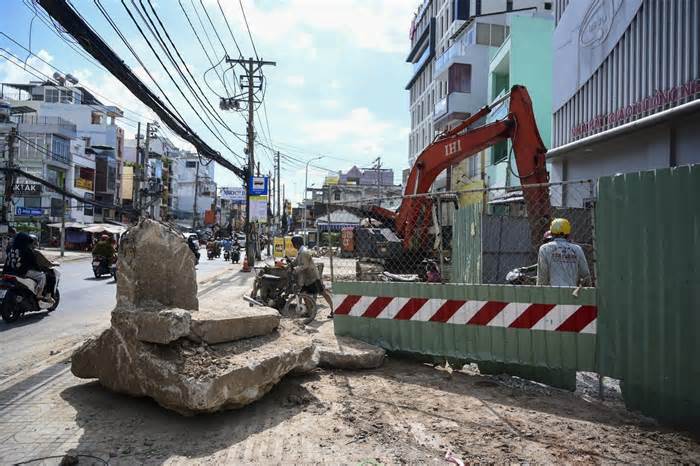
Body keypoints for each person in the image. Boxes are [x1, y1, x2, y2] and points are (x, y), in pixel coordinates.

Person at [290, 235, 334, 321]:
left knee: (323, 293)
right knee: (304, 294)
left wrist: (295, 270)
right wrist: (291, 264)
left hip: (312, 277)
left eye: (293, 244)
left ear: (296, 244)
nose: (293, 246)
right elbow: (297, 261)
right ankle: (310, 313)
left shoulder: (304, 252)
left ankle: (333, 310)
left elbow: (305, 266)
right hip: (307, 278)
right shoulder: (300, 251)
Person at [536, 219, 591, 287]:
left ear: (552, 233)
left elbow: (542, 275)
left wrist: (541, 291)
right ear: (568, 234)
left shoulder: (545, 248)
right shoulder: (577, 249)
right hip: (572, 291)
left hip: (552, 292)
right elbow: (585, 275)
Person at [4, 232, 52, 299]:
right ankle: (39, 294)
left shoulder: (11, 249)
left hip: (8, 271)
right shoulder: (27, 250)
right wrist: (39, 270)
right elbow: (34, 264)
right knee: (42, 276)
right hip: (21, 272)